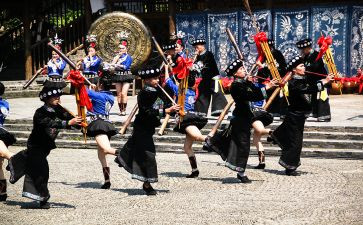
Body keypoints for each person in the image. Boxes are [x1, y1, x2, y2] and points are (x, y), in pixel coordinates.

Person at [7, 87, 82, 209]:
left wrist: (80, 123)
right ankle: (43, 199)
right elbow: (48, 123)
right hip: (36, 145)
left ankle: (17, 160)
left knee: (34, 167)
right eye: (54, 96)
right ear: (46, 99)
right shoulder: (40, 112)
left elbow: (70, 120)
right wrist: (67, 123)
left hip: (46, 147)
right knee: (42, 171)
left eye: (59, 96)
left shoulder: (60, 110)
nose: (58, 98)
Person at [205, 59, 276, 183]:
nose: (244, 70)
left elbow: (253, 91)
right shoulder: (236, 86)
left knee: (238, 143)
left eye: (243, 68)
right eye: (241, 69)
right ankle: (241, 173)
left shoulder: (243, 84)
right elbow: (252, 96)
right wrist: (266, 87)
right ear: (235, 74)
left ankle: (213, 141)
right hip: (240, 119)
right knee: (243, 146)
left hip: (245, 118)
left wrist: (250, 83)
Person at [115, 67, 180, 195]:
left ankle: (123, 157)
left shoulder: (158, 91)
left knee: (138, 149)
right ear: (147, 80)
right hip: (141, 127)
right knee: (149, 154)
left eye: (157, 78)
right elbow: (147, 111)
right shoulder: (143, 93)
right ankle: (147, 184)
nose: (157, 80)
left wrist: (175, 109)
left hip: (149, 128)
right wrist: (166, 111)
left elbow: (162, 106)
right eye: (154, 79)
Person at [268, 55, 333, 176]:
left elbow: (312, 84)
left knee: (295, 141)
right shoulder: (293, 83)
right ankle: (289, 167)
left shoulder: (303, 79)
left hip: (300, 116)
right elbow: (308, 89)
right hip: (294, 116)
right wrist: (324, 81)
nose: (304, 67)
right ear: (294, 69)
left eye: (304, 65)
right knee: (296, 143)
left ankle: (277, 135)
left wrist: (327, 79)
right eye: (301, 66)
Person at [164, 65, 208, 178]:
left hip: (186, 119)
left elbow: (167, 80)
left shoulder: (181, 91)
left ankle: (216, 141)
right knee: (187, 147)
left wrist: (165, 68)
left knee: (198, 136)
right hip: (191, 116)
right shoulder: (193, 92)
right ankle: (195, 170)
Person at [86, 75, 118, 189]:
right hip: (106, 123)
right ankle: (107, 181)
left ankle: (126, 154)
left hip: (99, 124)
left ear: (100, 85)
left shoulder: (98, 95)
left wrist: (89, 88)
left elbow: (83, 91)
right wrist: (94, 90)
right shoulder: (110, 96)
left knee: (106, 149)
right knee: (101, 155)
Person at [191, 38, 227, 117]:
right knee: (202, 94)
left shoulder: (208, 54)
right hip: (205, 79)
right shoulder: (197, 56)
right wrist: (195, 57)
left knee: (217, 92)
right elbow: (192, 66)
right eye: (195, 47)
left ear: (202, 46)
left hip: (213, 77)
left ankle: (219, 110)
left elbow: (204, 64)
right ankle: (201, 112)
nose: (197, 49)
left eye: (198, 46)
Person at [297, 38, 331, 122]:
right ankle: (313, 112)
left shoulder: (317, 55)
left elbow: (315, 67)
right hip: (311, 82)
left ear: (308, 48)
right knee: (311, 97)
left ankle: (324, 116)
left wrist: (305, 69)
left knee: (321, 97)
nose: (302, 51)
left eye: (303, 50)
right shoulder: (305, 57)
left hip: (322, 80)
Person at [256, 38, 287, 118]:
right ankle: (268, 109)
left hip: (275, 78)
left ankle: (276, 110)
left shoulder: (277, 54)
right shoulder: (262, 54)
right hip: (264, 79)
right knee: (265, 95)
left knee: (274, 96)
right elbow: (259, 67)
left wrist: (264, 66)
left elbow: (282, 67)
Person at [250, 76, 273, 169]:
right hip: (262, 112)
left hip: (254, 113)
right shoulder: (262, 86)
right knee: (256, 139)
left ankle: (274, 133)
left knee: (260, 130)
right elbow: (264, 99)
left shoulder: (248, 87)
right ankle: (262, 162)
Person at [0, 82, 16, 201]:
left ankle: (17, 160)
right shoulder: (4, 103)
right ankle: (2, 193)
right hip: (3, 133)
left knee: (3, 157)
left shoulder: (3, 103)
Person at [111, 38, 134, 116]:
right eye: (120, 48)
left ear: (125, 49)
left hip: (126, 76)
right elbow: (112, 65)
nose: (121, 49)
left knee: (124, 93)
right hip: (118, 75)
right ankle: (120, 110)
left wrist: (116, 65)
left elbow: (125, 67)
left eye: (122, 48)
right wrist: (117, 59)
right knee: (119, 94)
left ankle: (124, 110)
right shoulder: (117, 57)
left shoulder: (128, 57)